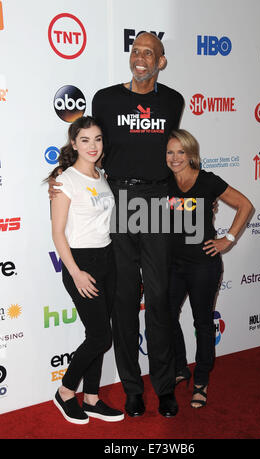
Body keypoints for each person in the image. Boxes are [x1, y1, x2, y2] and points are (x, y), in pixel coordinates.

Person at [49, 32, 184, 418]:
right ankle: (132, 390)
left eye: (150, 53)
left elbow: (169, 154)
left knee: (157, 300)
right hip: (119, 201)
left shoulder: (173, 100)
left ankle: (164, 386)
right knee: (124, 303)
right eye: (136, 51)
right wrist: (60, 181)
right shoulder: (105, 99)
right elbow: (88, 154)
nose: (141, 57)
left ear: (161, 61)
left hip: (157, 200)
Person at [166, 129, 253, 408]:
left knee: (202, 323)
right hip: (172, 263)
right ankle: (180, 368)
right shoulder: (162, 181)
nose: (175, 157)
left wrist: (227, 240)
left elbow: (245, 205)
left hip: (203, 264)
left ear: (191, 154)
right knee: (166, 318)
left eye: (181, 152)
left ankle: (201, 380)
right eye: (170, 152)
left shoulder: (207, 181)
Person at [48, 116, 124, 424]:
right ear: (74, 144)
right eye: (85, 140)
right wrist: (76, 272)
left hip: (108, 259)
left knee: (99, 332)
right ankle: (66, 391)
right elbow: (57, 233)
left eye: (97, 139)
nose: (92, 146)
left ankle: (91, 397)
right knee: (99, 336)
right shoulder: (65, 180)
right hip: (82, 263)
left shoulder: (101, 175)